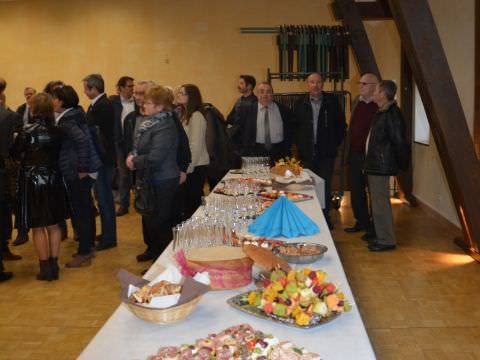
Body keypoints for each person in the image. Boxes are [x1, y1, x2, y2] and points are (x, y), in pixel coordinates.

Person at [12, 93, 68, 280]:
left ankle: (45, 269)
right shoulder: (59, 130)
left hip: (31, 180)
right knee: (54, 224)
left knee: (38, 227)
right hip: (53, 178)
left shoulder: (25, 131)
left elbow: (14, 154)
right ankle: (54, 265)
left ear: (33, 108)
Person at [126, 85, 179, 260]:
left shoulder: (165, 125)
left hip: (162, 179)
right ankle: (154, 253)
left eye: (148, 103)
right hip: (150, 178)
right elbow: (140, 146)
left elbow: (156, 157)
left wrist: (134, 162)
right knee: (151, 221)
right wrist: (133, 155)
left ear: (160, 106)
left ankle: (161, 262)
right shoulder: (149, 121)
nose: (144, 105)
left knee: (160, 224)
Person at [52, 85, 102, 267]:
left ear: (62, 101)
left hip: (78, 171)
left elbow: (81, 142)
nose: (52, 102)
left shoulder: (68, 121)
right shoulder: (74, 115)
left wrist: (81, 168)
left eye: (54, 98)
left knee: (81, 212)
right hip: (82, 170)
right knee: (86, 210)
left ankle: (84, 253)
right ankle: (88, 247)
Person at [293, 72, 346, 229]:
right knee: (308, 185)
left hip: (326, 154)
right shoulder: (299, 103)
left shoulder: (332, 101)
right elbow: (294, 127)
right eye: (312, 82)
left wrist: (333, 144)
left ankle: (324, 216)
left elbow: (341, 126)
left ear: (323, 84)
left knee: (324, 185)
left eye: (318, 82)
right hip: (307, 153)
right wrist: (301, 144)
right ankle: (310, 216)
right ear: (307, 84)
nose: (315, 85)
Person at [365, 80, 409, 252]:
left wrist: (400, 165)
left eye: (375, 90)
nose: (373, 93)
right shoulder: (383, 112)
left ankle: (386, 240)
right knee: (377, 203)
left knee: (381, 203)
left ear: (383, 94)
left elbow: (399, 142)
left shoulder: (392, 114)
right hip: (376, 164)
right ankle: (381, 236)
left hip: (380, 165)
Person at [83, 74, 117, 251]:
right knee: (102, 198)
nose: (84, 91)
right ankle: (106, 233)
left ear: (94, 89)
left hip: (103, 159)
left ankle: (109, 238)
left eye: (86, 88)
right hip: (103, 158)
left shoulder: (102, 106)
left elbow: (94, 131)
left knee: (104, 200)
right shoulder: (98, 105)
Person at [344, 73, 379, 235]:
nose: (360, 86)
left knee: (373, 191)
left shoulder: (379, 105)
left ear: (374, 86)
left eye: (364, 84)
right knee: (356, 190)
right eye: (360, 83)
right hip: (355, 154)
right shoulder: (357, 101)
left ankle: (375, 226)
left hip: (371, 157)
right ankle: (362, 221)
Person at [230, 81, 291, 163]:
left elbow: (291, 132)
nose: (265, 95)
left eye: (268, 92)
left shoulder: (284, 110)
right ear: (257, 94)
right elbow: (235, 132)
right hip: (255, 153)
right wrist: (241, 151)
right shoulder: (247, 110)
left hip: (279, 153)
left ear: (272, 94)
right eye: (261, 92)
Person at [176, 84, 209, 220]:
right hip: (189, 165)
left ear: (191, 97)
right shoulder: (184, 115)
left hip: (195, 166)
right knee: (187, 203)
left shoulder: (196, 116)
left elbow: (195, 145)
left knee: (193, 203)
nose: (178, 95)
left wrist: (187, 169)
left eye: (182, 93)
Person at [0, 89, 23, 281]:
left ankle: (4, 248)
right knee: (4, 209)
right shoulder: (7, 116)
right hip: (3, 168)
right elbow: (11, 146)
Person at [111, 76, 135, 216]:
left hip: (135, 143)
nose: (132, 89)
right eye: (129, 86)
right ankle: (124, 205)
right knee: (123, 175)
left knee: (137, 175)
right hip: (120, 143)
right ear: (120, 88)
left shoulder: (138, 103)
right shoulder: (113, 102)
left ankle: (140, 202)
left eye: (133, 86)